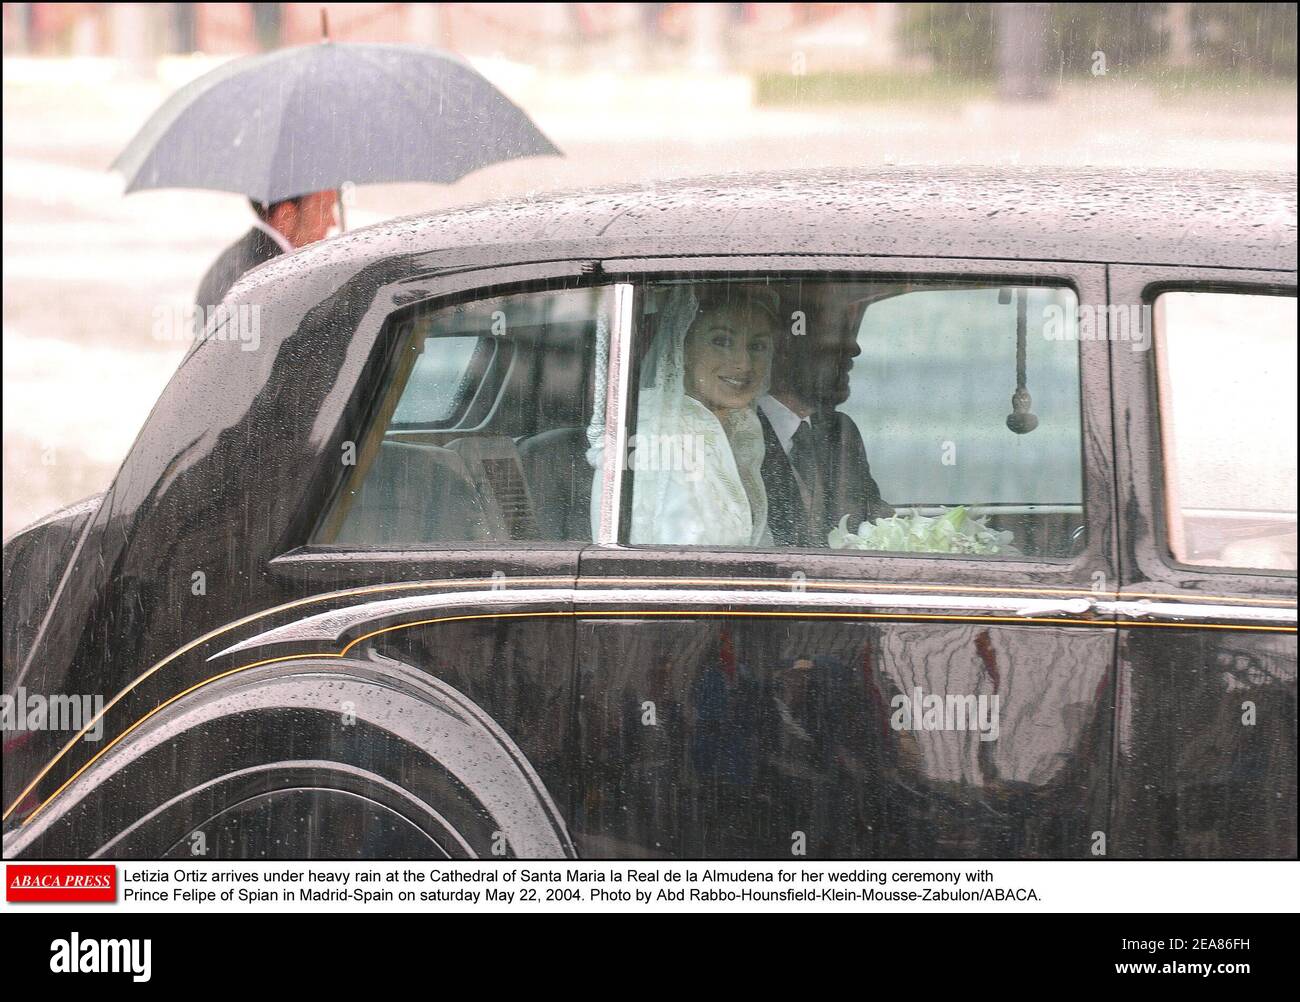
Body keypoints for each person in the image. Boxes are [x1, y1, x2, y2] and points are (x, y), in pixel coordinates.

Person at [589, 284, 777, 546]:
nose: (743, 363)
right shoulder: (647, 431)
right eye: (721, 341)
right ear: (683, 346)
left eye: (757, 346)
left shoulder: (742, 425)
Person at [758, 288, 893, 547]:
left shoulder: (841, 430)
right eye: (835, 337)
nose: (853, 349)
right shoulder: (739, 432)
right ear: (785, 348)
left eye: (849, 335)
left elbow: (874, 516)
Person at [194, 190, 337, 313]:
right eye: (324, 209)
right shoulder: (272, 278)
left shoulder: (240, 260)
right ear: (286, 216)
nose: (333, 221)